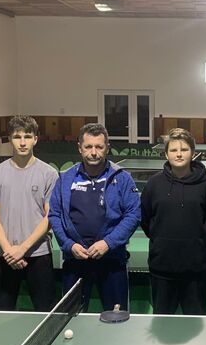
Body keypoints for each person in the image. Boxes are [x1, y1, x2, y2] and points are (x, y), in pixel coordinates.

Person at [48, 123, 140, 312]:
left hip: (112, 260)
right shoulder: (65, 178)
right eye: (88, 146)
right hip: (75, 259)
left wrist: (108, 243)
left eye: (99, 147)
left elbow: (133, 214)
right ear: (79, 147)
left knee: (116, 318)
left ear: (107, 147)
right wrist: (69, 245)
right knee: (71, 318)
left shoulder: (122, 178)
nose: (94, 152)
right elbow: (55, 215)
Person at [0, 115, 59, 311]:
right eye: (17, 137)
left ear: (35, 139)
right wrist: (9, 250)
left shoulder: (49, 174)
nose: (22, 142)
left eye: (27, 136)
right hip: (3, 255)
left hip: (38, 254)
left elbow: (50, 216)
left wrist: (22, 248)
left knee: (45, 313)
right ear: (10, 139)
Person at [140, 128, 206, 314]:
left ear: (193, 153)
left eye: (184, 149)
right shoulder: (154, 184)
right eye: (174, 150)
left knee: (195, 323)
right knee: (162, 323)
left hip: (196, 270)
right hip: (162, 268)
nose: (179, 154)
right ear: (166, 153)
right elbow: (145, 219)